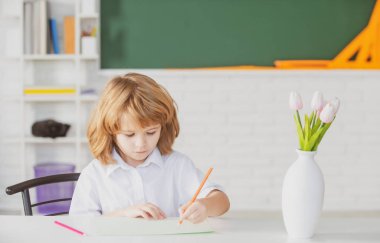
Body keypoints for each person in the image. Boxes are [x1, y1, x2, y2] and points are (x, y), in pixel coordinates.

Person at [69, 73, 230, 224]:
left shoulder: (177, 165)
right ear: (110, 131)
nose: (141, 144)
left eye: (151, 132)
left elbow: (222, 201)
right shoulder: (94, 174)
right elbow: (79, 224)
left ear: (163, 127)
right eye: (129, 134)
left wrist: (205, 206)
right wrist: (123, 215)